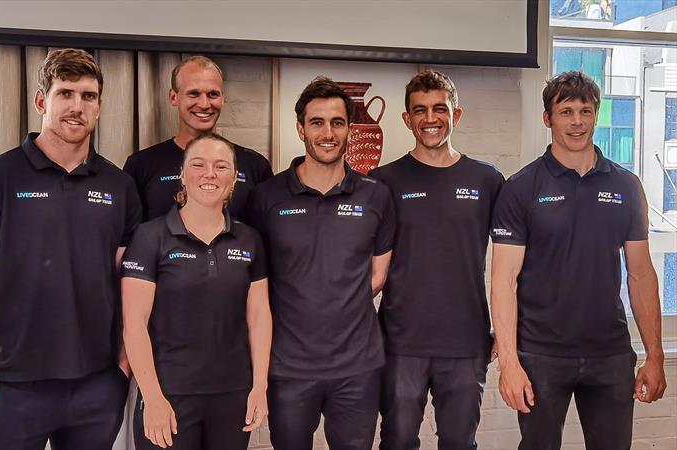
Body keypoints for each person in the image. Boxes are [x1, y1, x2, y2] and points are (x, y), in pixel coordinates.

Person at [0, 48, 142, 449]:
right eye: (66, 93)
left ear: (100, 106)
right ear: (41, 100)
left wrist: (122, 369)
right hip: (14, 391)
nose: (77, 106)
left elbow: (131, 286)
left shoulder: (118, 185)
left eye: (88, 96)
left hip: (97, 387)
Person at [490, 71, 667, 450]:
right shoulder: (521, 187)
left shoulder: (625, 185)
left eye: (585, 111)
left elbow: (640, 275)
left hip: (611, 355)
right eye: (566, 111)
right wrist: (509, 363)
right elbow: (503, 280)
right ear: (547, 118)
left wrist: (655, 354)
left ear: (596, 116)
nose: (576, 121)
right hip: (540, 355)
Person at [247, 76, 395, 450]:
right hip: (289, 367)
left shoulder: (375, 196)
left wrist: (335, 303)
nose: (327, 133)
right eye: (317, 122)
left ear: (349, 128)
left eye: (337, 122)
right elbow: (255, 283)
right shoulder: (267, 197)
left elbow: (378, 274)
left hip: (357, 368)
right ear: (301, 129)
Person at [370, 70, 504, 450]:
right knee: (396, 441)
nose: (430, 118)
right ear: (407, 119)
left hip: (466, 341)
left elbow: (515, 263)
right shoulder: (383, 181)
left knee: (460, 442)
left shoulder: (487, 180)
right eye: (420, 110)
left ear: (456, 115)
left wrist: (507, 331)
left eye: (439, 109)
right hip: (399, 342)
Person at [121, 132, 272, 450]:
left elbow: (259, 317)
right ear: (183, 175)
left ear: (233, 179)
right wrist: (153, 397)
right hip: (170, 396)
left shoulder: (250, 240)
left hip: (233, 397)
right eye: (199, 164)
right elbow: (134, 324)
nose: (210, 174)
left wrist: (259, 386)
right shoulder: (150, 238)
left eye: (221, 166)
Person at [123, 55, 272, 222]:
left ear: (222, 98)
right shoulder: (141, 165)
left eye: (212, 94)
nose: (204, 104)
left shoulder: (255, 166)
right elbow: (130, 242)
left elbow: (264, 240)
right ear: (174, 97)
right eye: (193, 94)